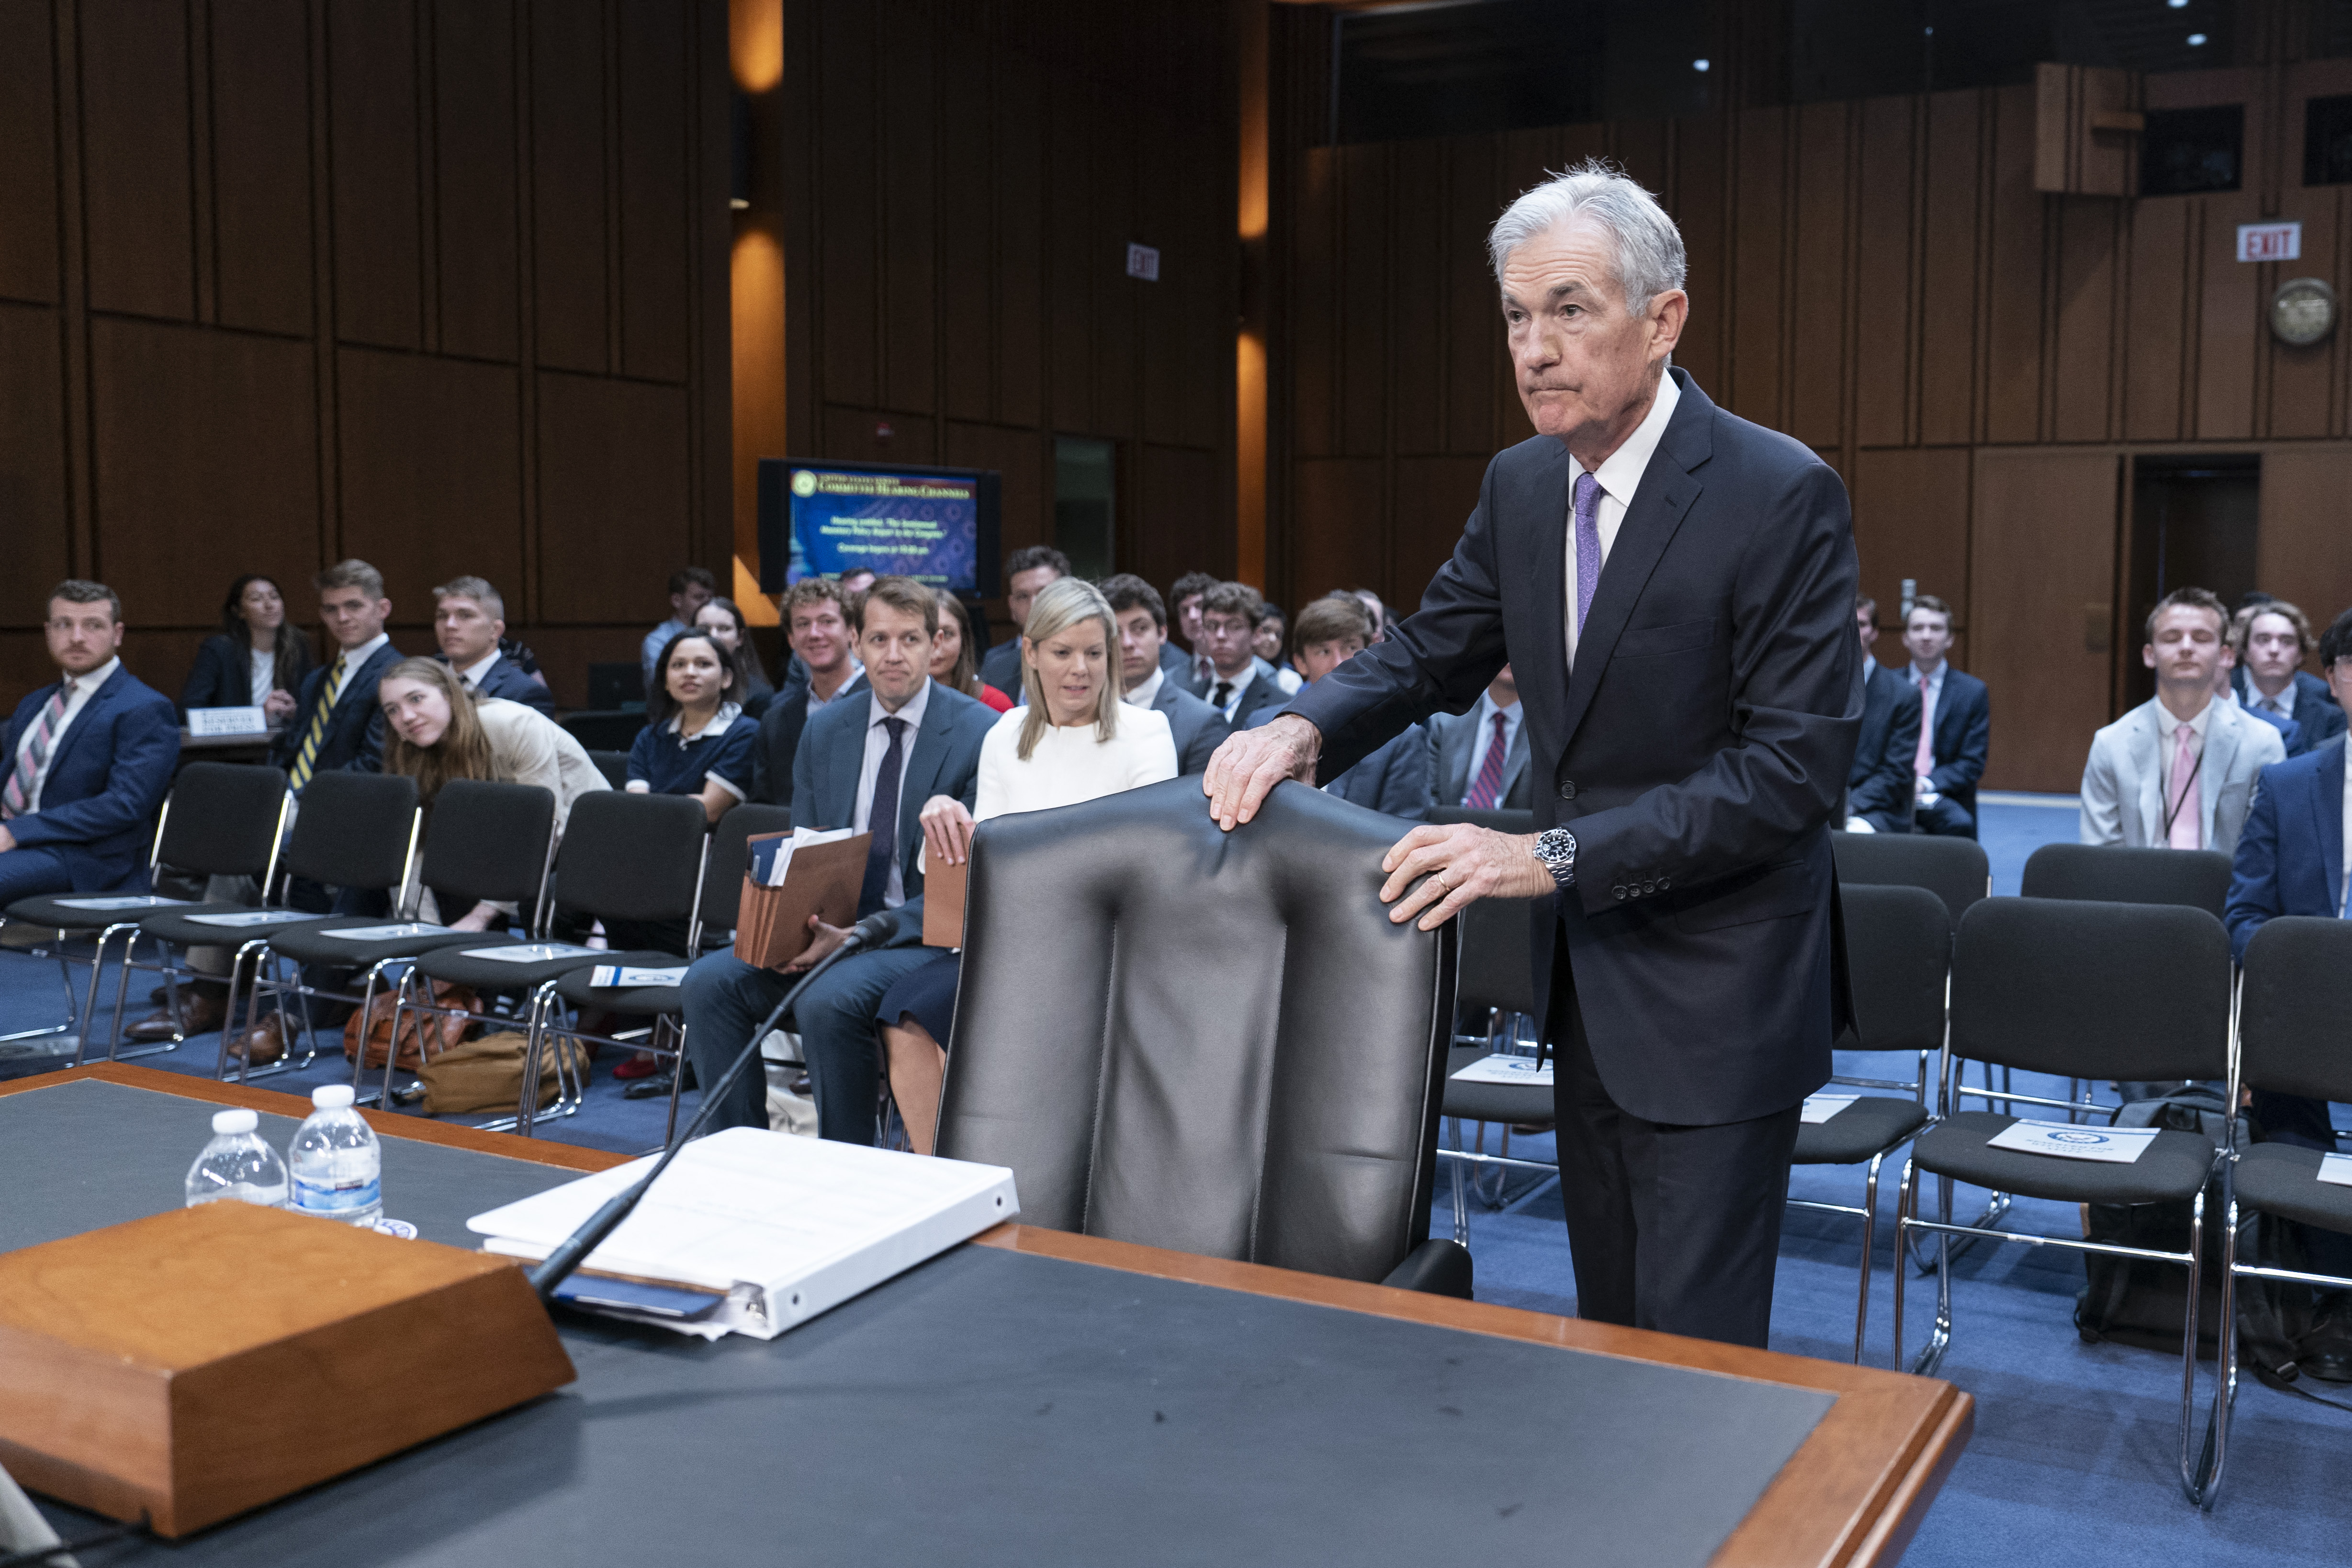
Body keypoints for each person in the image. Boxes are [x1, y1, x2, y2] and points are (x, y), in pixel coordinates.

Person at [1203, 161, 1861, 1349]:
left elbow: (1788, 775)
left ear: (1662, 319)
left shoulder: (1776, 491)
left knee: (1694, 1356)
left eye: (1568, 308)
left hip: (1717, 988)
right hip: (1587, 980)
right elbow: (1425, 654)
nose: (1533, 346)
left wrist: (1546, 853)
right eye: (1514, 315)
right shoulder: (1518, 483)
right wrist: (1303, 721)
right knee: (1609, 1329)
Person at [678, 576, 998, 1144]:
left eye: (909, 639)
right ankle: (739, 1155)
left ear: (933, 643)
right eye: (878, 639)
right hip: (830, 929)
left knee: (830, 998)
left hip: (919, 937)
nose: (893, 655)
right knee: (708, 982)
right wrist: (793, 931)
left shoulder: (979, 731)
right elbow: (809, 848)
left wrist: (854, 936)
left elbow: (965, 886)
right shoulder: (825, 728)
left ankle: (846, 1162)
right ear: (855, 640)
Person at [877, 578, 1180, 1153]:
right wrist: (946, 818)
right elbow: (984, 859)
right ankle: (940, 1174)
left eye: (1094, 653)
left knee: (1002, 1022)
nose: (1080, 670)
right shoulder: (1006, 733)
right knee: (905, 1011)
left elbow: (1147, 860)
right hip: (1009, 943)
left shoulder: (1146, 731)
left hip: (1106, 949)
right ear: (1031, 653)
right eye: (1063, 652)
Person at [2224, 606, 2352, 1172]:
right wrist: (2300, 969)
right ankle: (2310, 1237)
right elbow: (2245, 914)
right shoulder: (2287, 784)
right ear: (2330, 678)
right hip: (2308, 997)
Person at [377, 658, 608, 931]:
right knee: (447, 874)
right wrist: (422, 929)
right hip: (507, 845)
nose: (406, 717)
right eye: (393, 710)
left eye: (416, 699)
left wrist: (482, 916)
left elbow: (545, 829)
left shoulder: (512, 724)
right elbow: (413, 844)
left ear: (450, 695)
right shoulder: (411, 755)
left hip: (586, 842)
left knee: (527, 904)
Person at [0, 581, 179, 904]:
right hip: (17, 842)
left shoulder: (144, 707)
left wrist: (19, 832)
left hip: (85, 858)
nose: (77, 637)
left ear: (118, 634)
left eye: (93, 625)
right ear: (48, 632)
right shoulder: (34, 703)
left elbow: (124, 805)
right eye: (64, 624)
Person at [2081, 587, 2284, 856]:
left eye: (2201, 638)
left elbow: (2261, 853)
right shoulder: (2111, 743)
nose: (2186, 648)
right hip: (2136, 893)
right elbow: (2101, 856)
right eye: (2172, 638)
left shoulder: (2262, 743)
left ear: (2226, 656)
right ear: (2149, 655)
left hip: (2226, 894)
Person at [1250, 594, 1428, 819]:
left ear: (1371, 654)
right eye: (1324, 651)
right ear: (1300, 663)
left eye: (1350, 648)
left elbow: (1402, 834)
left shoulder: (1402, 739)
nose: (1338, 664)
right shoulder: (1261, 724)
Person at [271, 560, 402, 790]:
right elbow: (291, 749)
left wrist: (305, 800)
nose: (342, 618)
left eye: (354, 606)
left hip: (345, 807)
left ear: (383, 609)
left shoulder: (398, 676)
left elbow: (374, 763)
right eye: (331, 609)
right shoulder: (316, 679)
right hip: (289, 802)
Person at [751, 579, 868, 805]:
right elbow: (763, 807)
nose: (815, 634)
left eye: (827, 621)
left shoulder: (885, 702)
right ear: (791, 639)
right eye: (803, 624)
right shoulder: (775, 720)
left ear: (851, 633)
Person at [1101, 574, 1228, 773]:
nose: (1127, 643)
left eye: (1140, 629)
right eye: (1115, 633)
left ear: (1162, 633)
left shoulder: (1202, 722)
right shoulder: (1084, 715)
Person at [628, 630, 754, 824]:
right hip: (647, 841)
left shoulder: (745, 733)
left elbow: (707, 810)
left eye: (703, 664)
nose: (689, 673)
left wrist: (652, 806)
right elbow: (636, 808)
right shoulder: (649, 737)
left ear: (726, 678)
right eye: (678, 665)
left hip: (709, 848)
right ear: (666, 682)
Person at [1899, 595, 1988, 838]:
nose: (1926, 636)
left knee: (1957, 823)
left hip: (1942, 793)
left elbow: (1971, 764)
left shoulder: (1972, 692)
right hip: (1892, 789)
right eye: (1918, 628)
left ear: (1950, 638)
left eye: (1936, 628)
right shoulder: (1887, 687)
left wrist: (1924, 784)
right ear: (1905, 638)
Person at [180, 574, 309, 722]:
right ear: (239, 611)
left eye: (274, 597)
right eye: (256, 599)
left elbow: (313, 707)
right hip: (235, 743)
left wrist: (296, 712)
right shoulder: (219, 650)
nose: (269, 605)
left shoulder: (297, 648)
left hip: (286, 741)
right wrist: (258, 718)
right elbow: (188, 712)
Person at [1844, 594, 1921, 834]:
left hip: (1875, 809)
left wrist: (1849, 805)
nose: (1853, 630)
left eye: (1862, 624)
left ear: (1875, 632)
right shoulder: (1815, 685)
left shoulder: (1903, 695)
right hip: (1816, 804)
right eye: (1846, 623)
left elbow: (1896, 773)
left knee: (1854, 837)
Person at [2232, 598, 2348, 759]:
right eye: (2263, 640)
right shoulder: (2228, 709)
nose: (2274, 650)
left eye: (2287, 641)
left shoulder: (2331, 718)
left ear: (2300, 654)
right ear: (2245, 652)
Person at [433, 576, 553, 716]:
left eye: (466, 616)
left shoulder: (526, 693)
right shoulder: (424, 684)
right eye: (442, 616)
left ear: (495, 630)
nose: (450, 625)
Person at [1428, 664, 1530, 812]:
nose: (1510, 656)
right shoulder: (1445, 719)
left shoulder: (1549, 730)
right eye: (1505, 644)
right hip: (1449, 828)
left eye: (1523, 646)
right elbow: (1428, 795)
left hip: (1516, 832)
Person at [1184, 582, 1285, 726]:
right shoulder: (1188, 697)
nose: (1220, 635)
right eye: (1212, 626)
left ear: (1256, 635)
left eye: (1234, 626)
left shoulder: (1281, 705)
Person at [977, 546, 1069, 699]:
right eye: (1023, 596)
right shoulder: (995, 664)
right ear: (1012, 606)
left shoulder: (1086, 658)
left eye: (1044, 593)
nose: (1034, 606)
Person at [930, 592, 1015, 714]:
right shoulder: (894, 704)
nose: (936, 646)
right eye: (927, 632)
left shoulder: (994, 704)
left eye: (947, 634)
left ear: (964, 640)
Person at [695, 596, 777, 717]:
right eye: (704, 628)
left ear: (740, 638)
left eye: (724, 629)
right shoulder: (679, 685)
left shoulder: (759, 695)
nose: (713, 636)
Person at [641, 566, 716, 688]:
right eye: (699, 597)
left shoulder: (717, 633)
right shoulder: (658, 641)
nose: (708, 603)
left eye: (710, 597)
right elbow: (661, 688)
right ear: (677, 600)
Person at [1170, 570, 1219, 685]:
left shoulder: (1255, 671)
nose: (1192, 616)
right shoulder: (1172, 679)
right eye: (1185, 611)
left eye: (1199, 606)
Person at [1252, 603, 1304, 695]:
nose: (1273, 639)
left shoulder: (1289, 678)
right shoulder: (1234, 669)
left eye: (1278, 635)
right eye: (1266, 630)